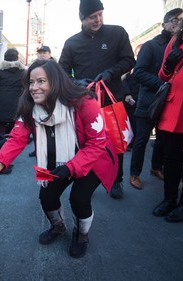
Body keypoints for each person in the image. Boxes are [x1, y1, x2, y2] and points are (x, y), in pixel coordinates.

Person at [0, 59, 118, 259]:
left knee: (79, 199)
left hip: (92, 159)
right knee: (47, 197)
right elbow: (16, 139)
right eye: (31, 82)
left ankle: (81, 235)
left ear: (56, 81)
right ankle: (58, 227)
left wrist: (70, 168)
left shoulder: (85, 101)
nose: (34, 87)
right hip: (53, 160)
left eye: (41, 81)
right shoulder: (29, 107)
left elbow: (96, 143)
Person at [58, 0, 135, 199]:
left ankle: (117, 179)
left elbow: (129, 60)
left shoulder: (117, 33)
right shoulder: (72, 42)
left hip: (112, 99)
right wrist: (77, 82)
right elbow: (62, 72)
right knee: (85, 142)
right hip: (84, 102)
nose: (98, 19)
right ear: (82, 18)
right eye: (92, 16)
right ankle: (86, 180)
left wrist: (111, 72)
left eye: (100, 14)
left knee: (115, 143)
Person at [152, 0, 183, 223]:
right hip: (172, 110)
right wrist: (169, 66)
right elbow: (163, 75)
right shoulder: (177, 39)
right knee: (171, 160)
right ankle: (169, 199)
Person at [129, 8, 183, 190]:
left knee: (162, 139)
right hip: (149, 102)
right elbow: (139, 73)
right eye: (174, 20)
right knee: (142, 139)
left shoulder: (182, 45)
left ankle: (155, 167)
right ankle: (134, 173)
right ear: (164, 24)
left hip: (170, 103)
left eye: (181, 20)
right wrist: (162, 84)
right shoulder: (150, 46)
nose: (177, 24)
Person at [0, 48, 26, 135]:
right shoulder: (23, 71)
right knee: (15, 124)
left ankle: (0, 143)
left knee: (0, 126)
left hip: (2, 100)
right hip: (17, 100)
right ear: (17, 58)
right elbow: (25, 86)